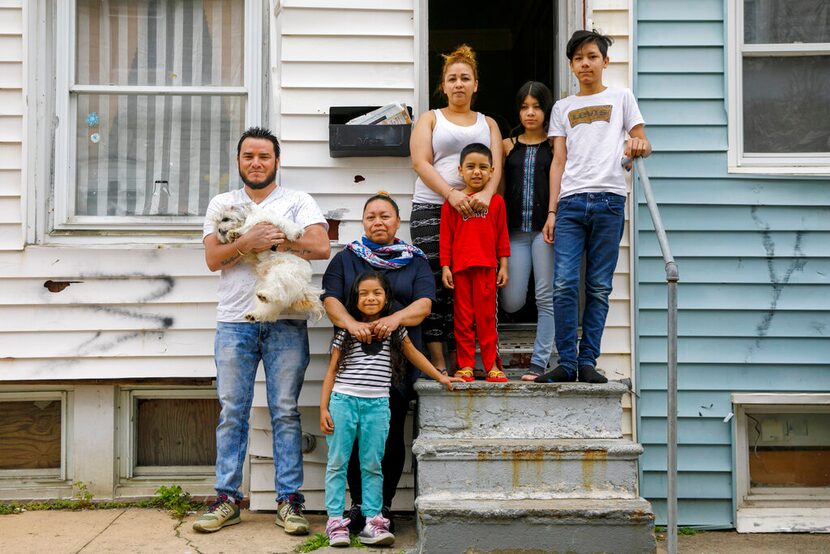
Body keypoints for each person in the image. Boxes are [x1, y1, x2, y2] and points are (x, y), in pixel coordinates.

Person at [194, 127, 331, 534]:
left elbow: (321, 246)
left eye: (264, 156)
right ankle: (227, 500)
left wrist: (278, 244)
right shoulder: (222, 203)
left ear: (276, 161)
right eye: (249, 156)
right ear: (239, 161)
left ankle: (289, 502)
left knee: (285, 411)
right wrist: (248, 240)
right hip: (234, 322)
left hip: (285, 320)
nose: (256, 162)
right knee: (232, 412)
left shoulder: (297, 201)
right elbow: (213, 259)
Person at [538, 30, 651, 383]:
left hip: (610, 200)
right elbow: (558, 160)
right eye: (578, 58)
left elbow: (644, 142)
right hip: (570, 203)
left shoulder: (622, 97)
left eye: (591, 56)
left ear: (605, 60)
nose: (585, 63)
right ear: (571, 65)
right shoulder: (562, 108)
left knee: (599, 286)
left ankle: (588, 361)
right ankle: (567, 362)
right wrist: (552, 211)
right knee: (565, 284)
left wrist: (636, 144)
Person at [321, 192, 435, 534]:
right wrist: (351, 325)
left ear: (398, 222)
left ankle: (380, 508)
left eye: (385, 216)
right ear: (364, 221)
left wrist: (395, 318)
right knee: (351, 440)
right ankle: (357, 507)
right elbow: (330, 300)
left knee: (387, 437)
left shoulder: (415, 260)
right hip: (353, 369)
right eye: (371, 216)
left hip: (396, 363)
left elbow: (425, 305)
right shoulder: (348, 259)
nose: (378, 222)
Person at [320, 271, 460, 547]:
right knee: (338, 462)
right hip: (343, 403)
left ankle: (373, 520)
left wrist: (441, 375)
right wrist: (324, 408)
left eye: (377, 293)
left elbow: (414, 355)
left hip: (377, 406)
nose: (370, 298)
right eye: (364, 294)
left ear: (387, 299)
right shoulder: (346, 331)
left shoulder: (395, 330)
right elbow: (332, 371)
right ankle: (336, 520)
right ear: (355, 299)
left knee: (373, 464)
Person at [410, 44, 503, 374]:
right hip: (432, 207)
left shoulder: (487, 123)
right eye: (453, 79)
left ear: (476, 84)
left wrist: (485, 197)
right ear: (443, 85)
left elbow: (497, 169)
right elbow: (420, 162)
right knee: (436, 284)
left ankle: (463, 359)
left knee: (468, 288)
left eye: (466, 78)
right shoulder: (430, 119)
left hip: (476, 213)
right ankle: (438, 359)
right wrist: (451, 193)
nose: (459, 84)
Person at [499, 81, 556, 381]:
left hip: (543, 231)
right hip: (513, 232)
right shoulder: (508, 146)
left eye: (537, 107)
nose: (530, 113)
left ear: (547, 110)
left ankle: (539, 362)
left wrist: (553, 214)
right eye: (525, 107)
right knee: (512, 300)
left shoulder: (555, 144)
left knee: (546, 296)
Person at [440, 143, 510, 382]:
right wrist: (446, 267)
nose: (477, 172)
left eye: (483, 167)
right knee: (462, 320)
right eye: (470, 167)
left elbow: (502, 236)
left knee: (486, 319)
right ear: (461, 170)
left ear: (492, 171)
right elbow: (446, 237)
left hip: (487, 268)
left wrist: (504, 266)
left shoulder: (496, 202)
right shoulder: (453, 203)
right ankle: (466, 365)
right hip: (460, 270)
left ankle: (492, 364)